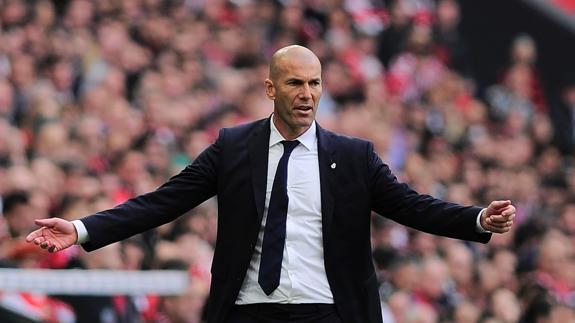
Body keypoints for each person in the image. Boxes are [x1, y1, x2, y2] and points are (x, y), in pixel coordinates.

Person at [26, 45, 516, 323]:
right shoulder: (233, 147)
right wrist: (82, 227)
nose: (306, 95)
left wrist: (476, 218)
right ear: (270, 88)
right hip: (248, 312)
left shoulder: (353, 156)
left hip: (326, 311)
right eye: (294, 84)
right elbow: (164, 202)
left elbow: (413, 207)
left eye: (315, 84)